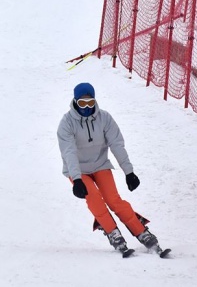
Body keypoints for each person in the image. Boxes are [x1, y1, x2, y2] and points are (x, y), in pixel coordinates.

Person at [57, 82, 162, 253]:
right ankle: (112, 232)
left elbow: (117, 145)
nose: (86, 107)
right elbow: (69, 152)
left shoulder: (104, 118)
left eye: (90, 103)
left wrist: (129, 172)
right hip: (78, 169)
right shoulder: (67, 123)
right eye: (82, 103)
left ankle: (142, 232)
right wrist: (76, 179)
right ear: (75, 102)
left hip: (100, 164)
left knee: (113, 200)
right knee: (94, 198)